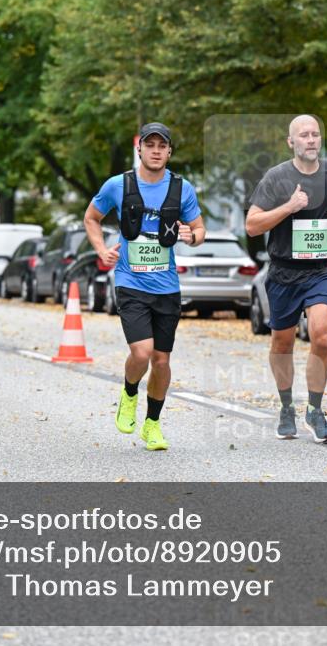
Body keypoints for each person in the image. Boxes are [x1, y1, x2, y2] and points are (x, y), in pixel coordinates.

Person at [83, 122, 205, 451]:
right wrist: (101, 249)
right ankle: (129, 393)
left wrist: (191, 236)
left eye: (161, 146)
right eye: (149, 145)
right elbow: (91, 217)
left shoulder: (182, 188)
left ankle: (152, 423)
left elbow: (199, 229)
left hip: (167, 287)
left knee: (161, 361)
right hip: (130, 281)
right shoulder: (118, 185)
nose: (155, 151)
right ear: (139, 149)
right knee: (142, 351)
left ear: (169, 151)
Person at [245, 115, 327, 443]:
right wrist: (289, 207)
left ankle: (315, 410)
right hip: (284, 271)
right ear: (290, 142)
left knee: (322, 336)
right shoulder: (276, 177)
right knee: (282, 343)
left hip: (321, 269)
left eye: (315, 134)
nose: (310, 140)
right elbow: (252, 225)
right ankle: (286, 407)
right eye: (303, 135)